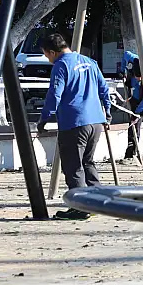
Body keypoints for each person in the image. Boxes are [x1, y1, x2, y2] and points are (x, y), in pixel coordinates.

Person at [37, 32, 111, 220]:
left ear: (52, 52)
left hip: (74, 122)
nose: (47, 59)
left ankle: (81, 208)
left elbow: (55, 93)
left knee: (73, 167)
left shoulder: (61, 65)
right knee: (88, 162)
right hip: (96, 121)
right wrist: (108, 112)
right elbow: (104, 89)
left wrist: (44, 118)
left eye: (46, 55)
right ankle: (97, 203)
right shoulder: (89, 62)